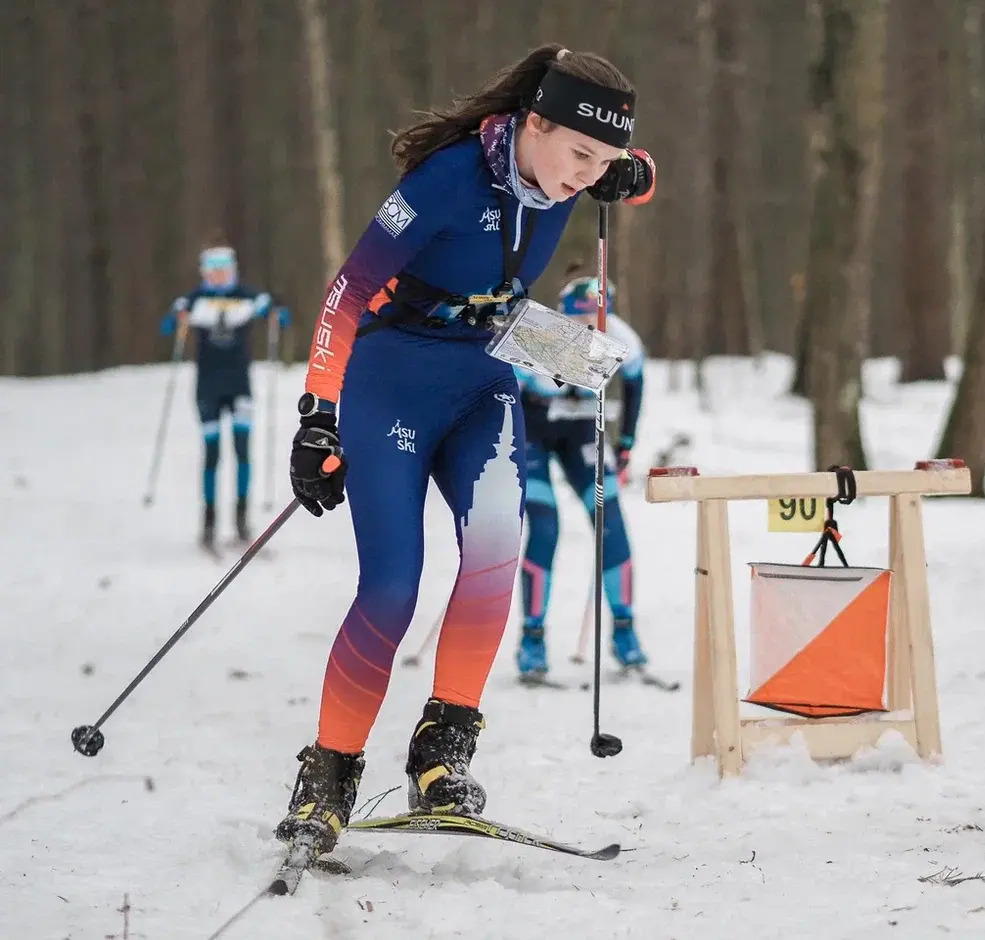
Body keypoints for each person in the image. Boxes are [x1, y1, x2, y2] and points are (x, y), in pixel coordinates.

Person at [276, 44, 655, 855]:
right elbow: (347, 291)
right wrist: (318, 413)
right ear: (534, 124)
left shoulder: (578, 167)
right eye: (578, 155)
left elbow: (638, 168)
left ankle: (441, 754)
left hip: (485, 381)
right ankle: (329, 774)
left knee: (493, 557)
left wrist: (632, 172)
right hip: (392, 381)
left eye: (603, 163)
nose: (586, 176)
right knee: (391, 586)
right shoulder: (446, 180)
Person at [513, 267, 648, 681]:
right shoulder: (539, 331)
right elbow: (532, 386)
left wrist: (625, 444)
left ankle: (625, 634)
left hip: (583, 439)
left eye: (595, 320)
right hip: (534, 438)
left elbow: (636, 383)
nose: (588, 328)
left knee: (610, 523)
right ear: (563, 313)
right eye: (578, 320)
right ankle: (532, 640)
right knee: (546, 526)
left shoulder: (622, 337)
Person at [159, 237, 290, 549]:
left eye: (225, 270)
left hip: (239, 385)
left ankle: (242, 520)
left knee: (243, 450)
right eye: (213, 271)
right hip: (208, 388)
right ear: (205, 273)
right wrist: (177, 319)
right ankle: (209, 523)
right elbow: (166, 327)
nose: (219, 277)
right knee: (213, 453)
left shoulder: (247, 297)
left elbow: (280, 316)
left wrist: (275, 315)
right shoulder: (194, 300)